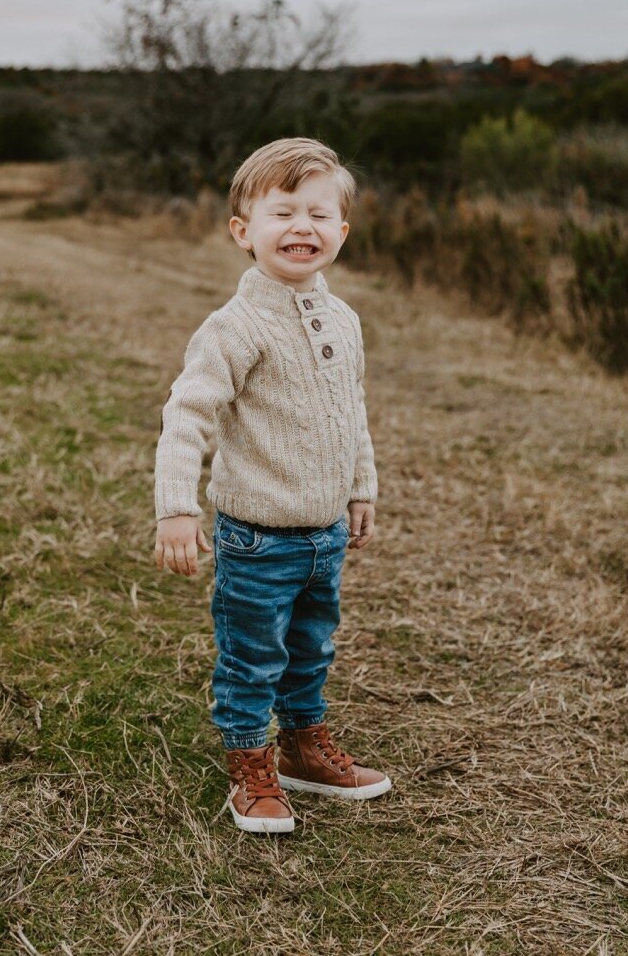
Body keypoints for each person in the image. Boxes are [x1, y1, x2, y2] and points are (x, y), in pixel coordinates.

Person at [154, 136, 391, 834]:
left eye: (319, 214)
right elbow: (186, 416)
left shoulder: (342, 320)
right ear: (243, 232)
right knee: (253, 657)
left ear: (341, 232)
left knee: (312, 647)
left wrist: (360, 490)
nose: (302, 228)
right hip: (256, 537)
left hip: (323, 536)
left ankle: (302, 749)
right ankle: (249, 767)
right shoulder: (235, 327)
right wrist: (176, 509)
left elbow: (352, 415)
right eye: (282, 212)